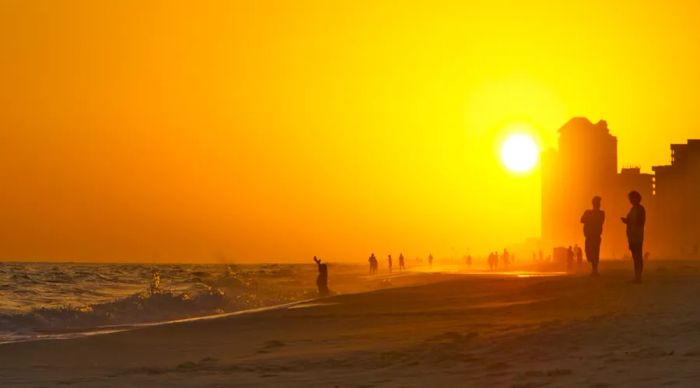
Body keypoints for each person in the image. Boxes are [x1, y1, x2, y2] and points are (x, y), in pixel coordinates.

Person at [622, 190, 646, 283]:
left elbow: (640, 222)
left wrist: (628, 221)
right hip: (632, 235)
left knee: (637, 256)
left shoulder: (640, 209)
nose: (630, 200)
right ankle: (637, 276)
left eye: (631, 198)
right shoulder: (634, 209)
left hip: (637, 235)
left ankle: (638, 277)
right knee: (635, 256)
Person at [581, 196, 605, 276]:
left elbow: (600, 221)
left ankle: (595, 270)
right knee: (588, 251)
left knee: (595, 252)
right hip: (589, 235)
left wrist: (590, 219)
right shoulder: (588, 212)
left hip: (596, 235)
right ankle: (594, 269)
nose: (598, 204)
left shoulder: (601, 213)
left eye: (599, 203)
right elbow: (581, 220)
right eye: (597, 202)